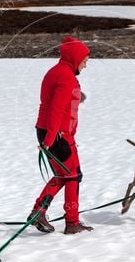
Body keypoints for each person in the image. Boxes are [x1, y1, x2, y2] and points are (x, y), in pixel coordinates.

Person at [29, 36, 94, 235]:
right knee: (73, 176)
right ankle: (72, 223)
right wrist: (49, 141)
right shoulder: (65, 77)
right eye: (84, 61)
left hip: (47, 131)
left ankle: (38, 212)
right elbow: (56, 110)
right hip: (57, 134)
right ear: (75, 58)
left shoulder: (57, 72)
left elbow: (55, 101)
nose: (85, 66)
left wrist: (76, 96)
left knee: (63, 175)